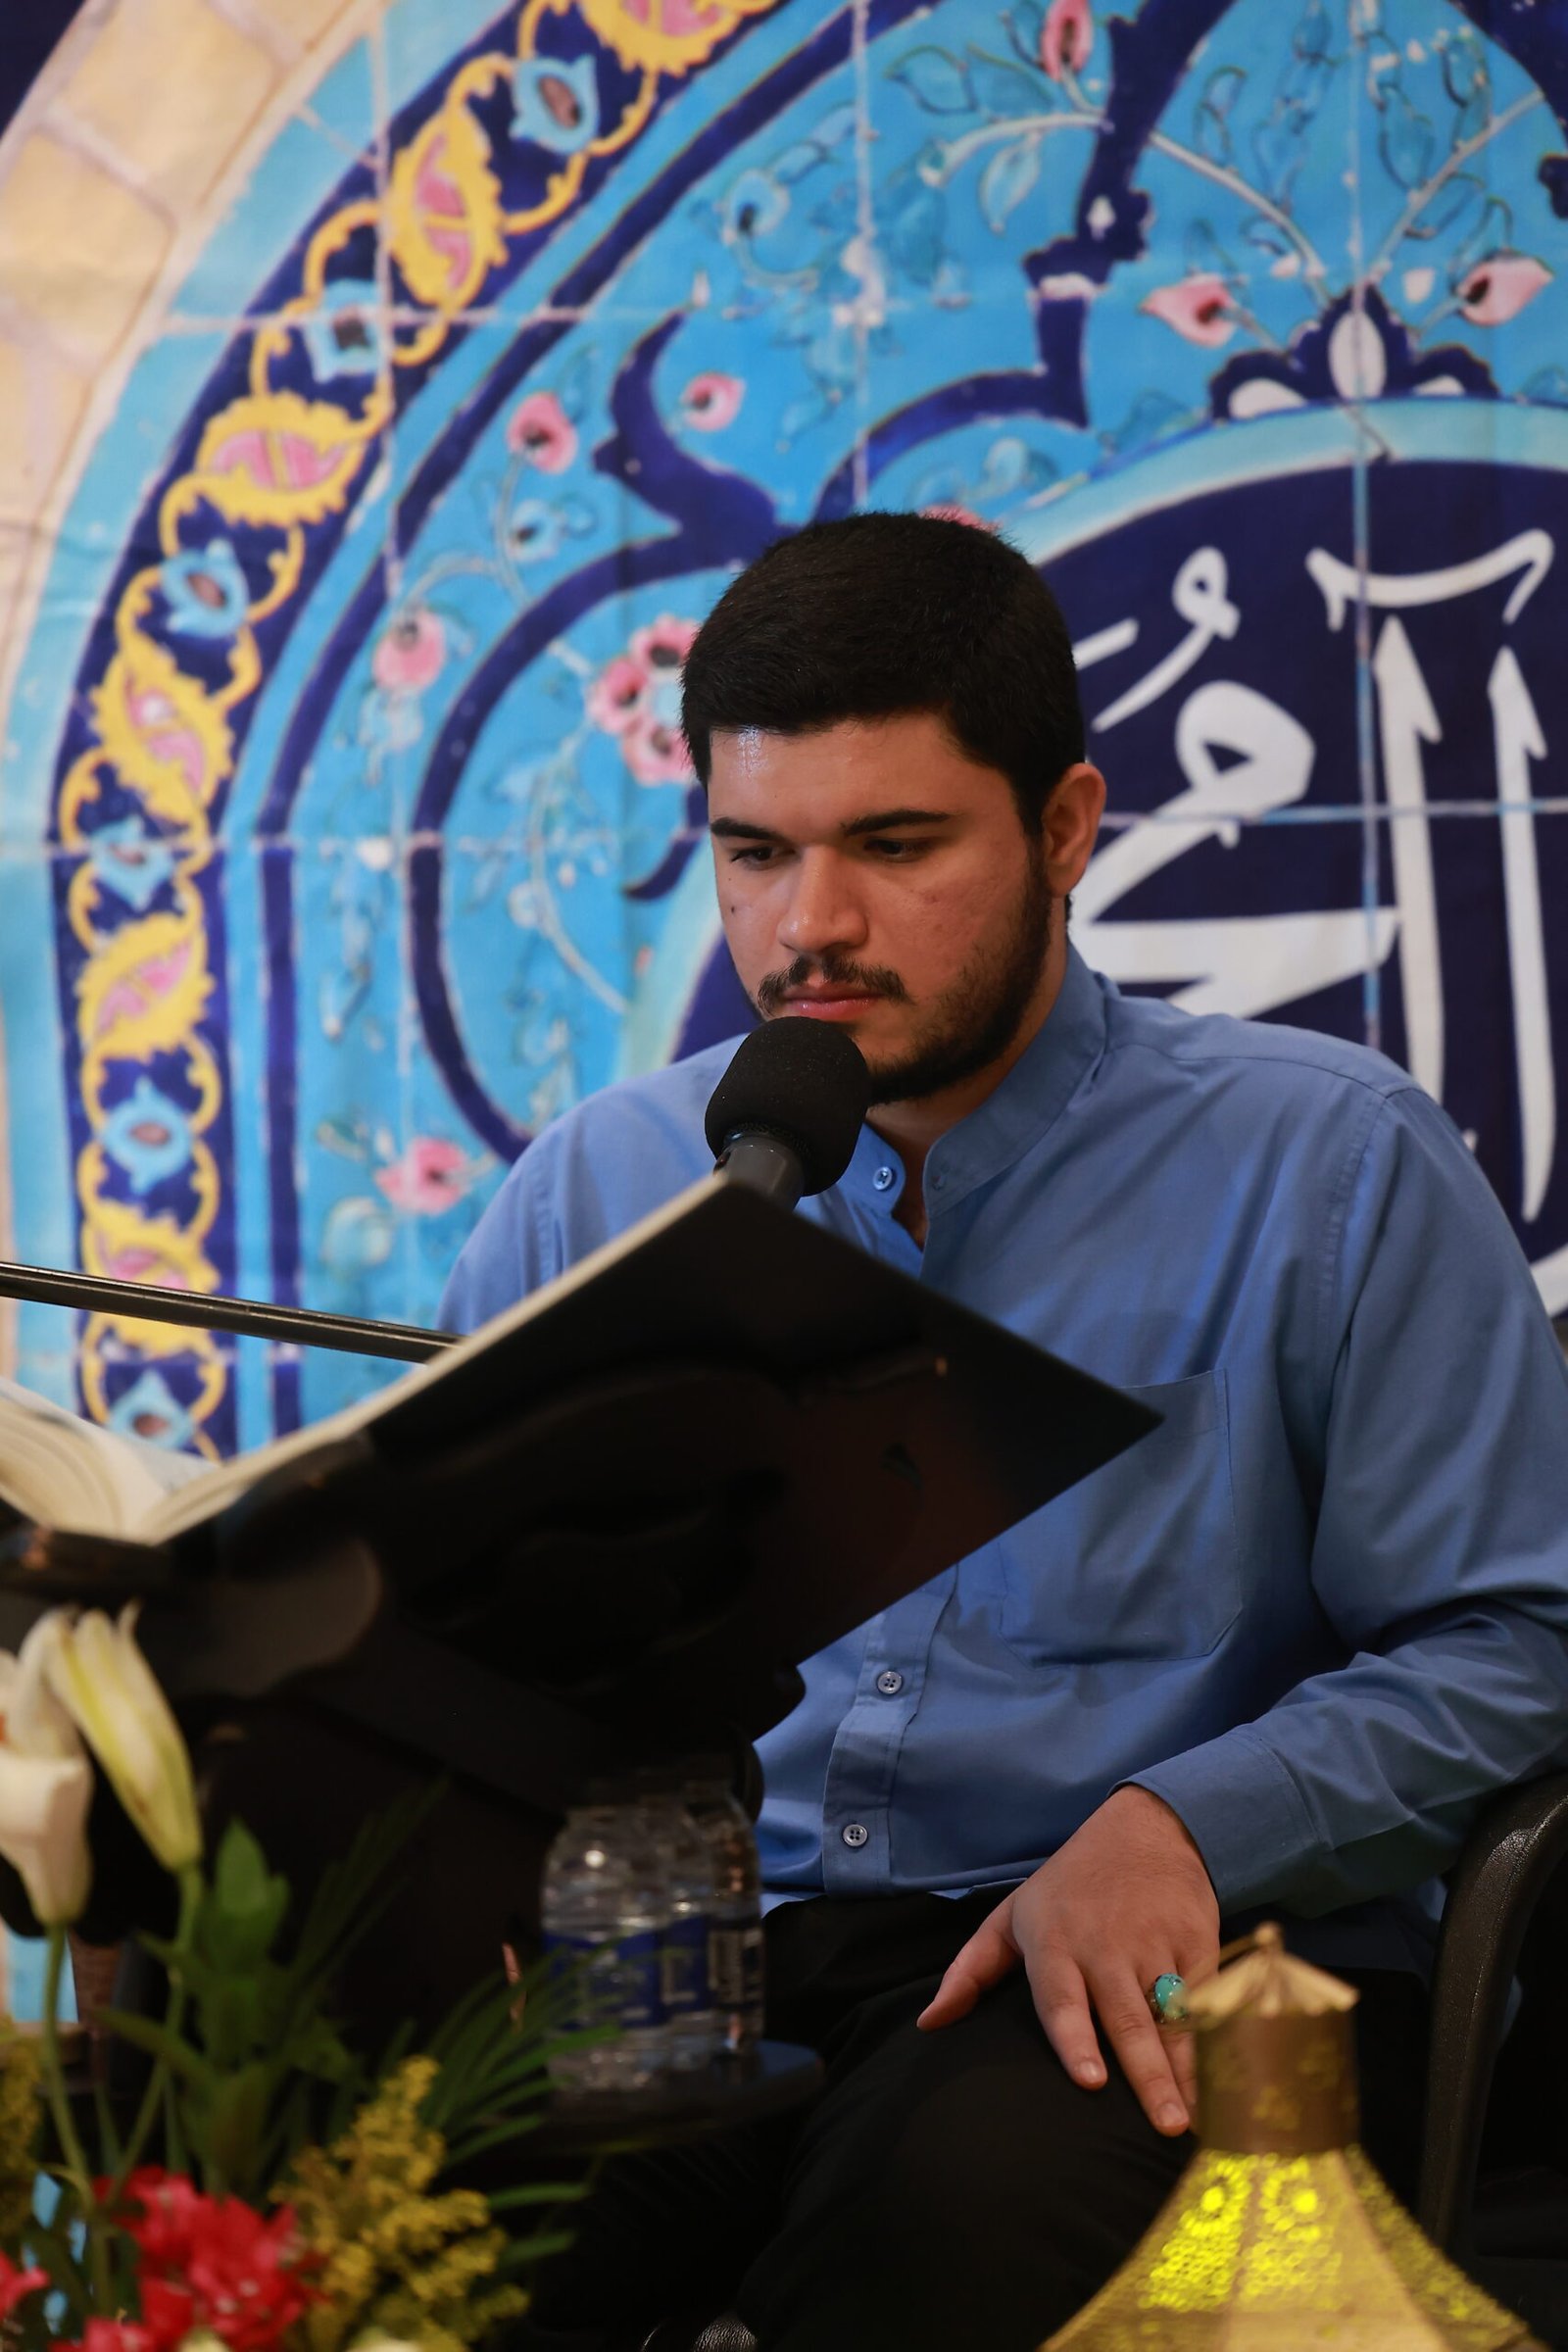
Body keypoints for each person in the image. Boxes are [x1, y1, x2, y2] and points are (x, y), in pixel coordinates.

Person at [441, 514, 1568, 2351]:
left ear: (1062, 828)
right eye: (756, 853)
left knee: (939, 2239)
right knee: (379, 2235)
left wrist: (1184, 1822)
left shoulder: (1329, 1162)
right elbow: (460, 1645)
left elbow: (1520, 1636)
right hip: (686, 1962)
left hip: (1159, 1956)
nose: (809, 927)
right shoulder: (602, 1192)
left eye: (895, 848)